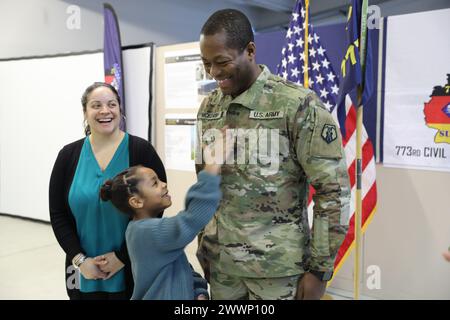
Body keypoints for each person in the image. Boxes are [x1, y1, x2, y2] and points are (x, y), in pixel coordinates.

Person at [195, 9, 351, 300]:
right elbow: (204, 181)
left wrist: (319, 271)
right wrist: (204, 244)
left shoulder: (298, 105)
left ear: (250, 51)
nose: (214, 73)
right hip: (222, 270)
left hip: (279, 271)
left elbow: (333, 191)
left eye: (222, 62)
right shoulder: (209, 108)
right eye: (206, 64)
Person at [49, 82, 167, 300]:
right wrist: (80, 260)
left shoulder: (141, 151)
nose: (105, 111)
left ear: (120, 109)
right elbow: (58, 214)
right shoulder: (68, 156)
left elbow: (157, 208)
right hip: (81, 269)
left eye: (111, 104)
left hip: (133, 267)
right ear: (85, 112)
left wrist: (123, 257)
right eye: (96, 105)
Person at [99, 130, 230, 299]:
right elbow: (190, 220)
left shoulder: (149, 231)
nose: (163, 184)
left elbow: (181, 267)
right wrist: (211, 170)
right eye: (155, 183)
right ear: (137, 202)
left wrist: (199, 292)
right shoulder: (146, 232)